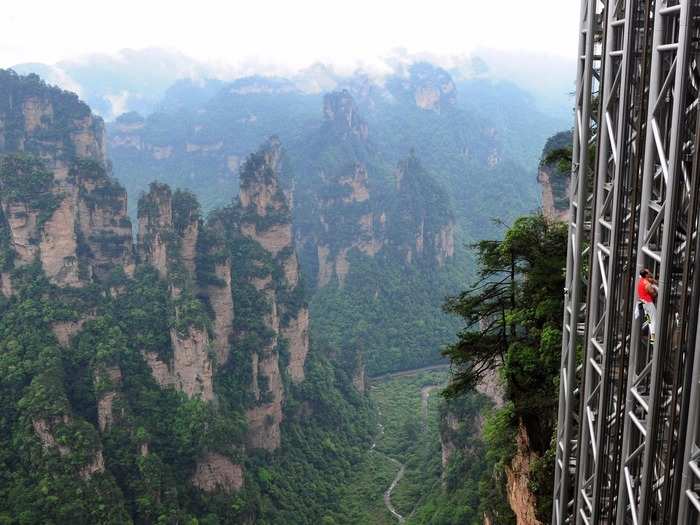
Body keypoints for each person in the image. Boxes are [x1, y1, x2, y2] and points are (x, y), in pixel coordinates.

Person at [637, 269, 658, 343]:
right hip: (648, 303)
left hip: (642, 302)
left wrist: (653, 280)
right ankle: (653, 339)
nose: (650, 272)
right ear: (646, 274)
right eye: (648, 272)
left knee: (648, 319)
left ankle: (645, 332)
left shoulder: (642, 280)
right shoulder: (647, 284)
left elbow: (652, 280)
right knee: (653, 321)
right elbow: (654, 294)